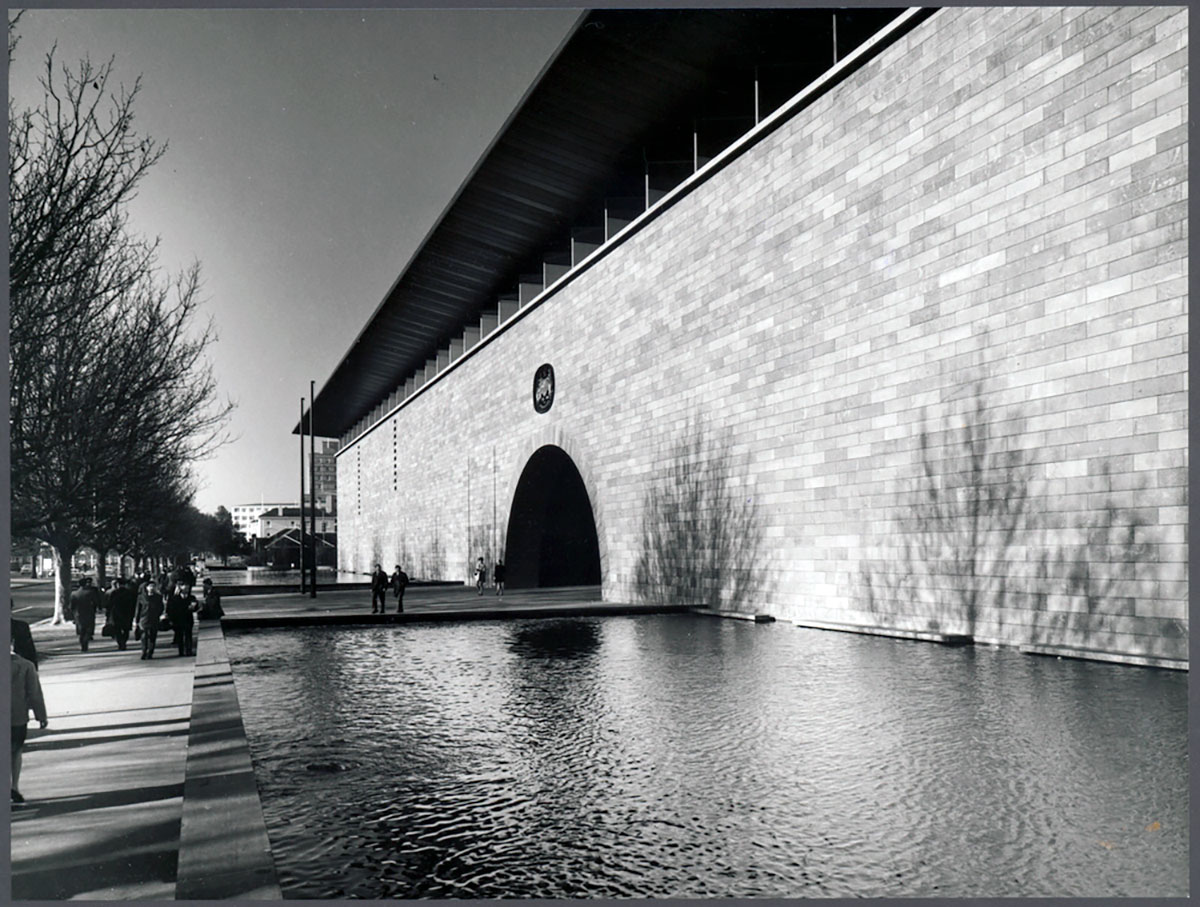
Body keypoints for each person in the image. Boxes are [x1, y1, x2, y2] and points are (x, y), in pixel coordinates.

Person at [11, 643, 48, 804]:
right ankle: (14, 786)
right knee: (15, 752)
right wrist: (41, 715)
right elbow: (34, 693)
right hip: (17, 716)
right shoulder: (26, 665)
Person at [69, 576, 101, 652]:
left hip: (78, 614)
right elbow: (96, 602)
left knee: (81, 631)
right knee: (88, 630)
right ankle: (85, 643)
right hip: (89, 613)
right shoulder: (90, 593)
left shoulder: (74, 594)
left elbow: (71, 606)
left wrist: (73, 614)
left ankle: (83, 645)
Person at [135, 579, 165, 660]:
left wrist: (159, 614)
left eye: (153, 586)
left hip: (154, 619)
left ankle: (150, 652)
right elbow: (138, 609)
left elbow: (161, 607)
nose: (151, 588)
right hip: (144, 619)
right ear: (146, 587)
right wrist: (136, 621)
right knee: (144, 636)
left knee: (152, 636)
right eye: (150, 586)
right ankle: (144, 651)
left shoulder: (158, 597)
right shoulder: (141, 597)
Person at [167, 584, 199, 657]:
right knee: (180, 636)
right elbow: (170, 610)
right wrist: (171, 619)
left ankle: (189, 651)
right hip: (178, 620)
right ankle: (181, 651)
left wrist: (194, 607)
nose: (186, 591)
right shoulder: (174, 598)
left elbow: (196, 608)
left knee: (188, 635)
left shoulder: (192, 598)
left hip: (188, 619)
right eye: (185, 590)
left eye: (187, 589)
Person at [105, 578, 137, 651]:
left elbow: (109, 605)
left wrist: (108, 615)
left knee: (117, 630)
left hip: (116, 614)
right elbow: (133, 605)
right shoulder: (130, 593)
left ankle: (120, 643)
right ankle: (124, 641)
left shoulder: (114, 593)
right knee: (126, 629)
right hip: (127, 614)